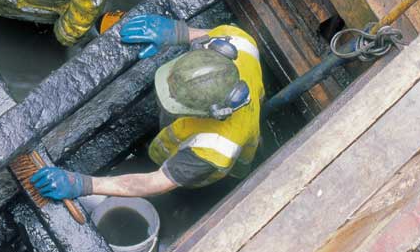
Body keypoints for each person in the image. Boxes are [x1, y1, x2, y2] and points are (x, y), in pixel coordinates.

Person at [31, 14, 264, 199]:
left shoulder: (213, 150)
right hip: (196, 128)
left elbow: (156, 182)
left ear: (211, 112)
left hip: (212, 163)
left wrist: (85, 184)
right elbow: (210, 35)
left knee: (187, 177)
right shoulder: (239, 42)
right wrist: (176, 32)